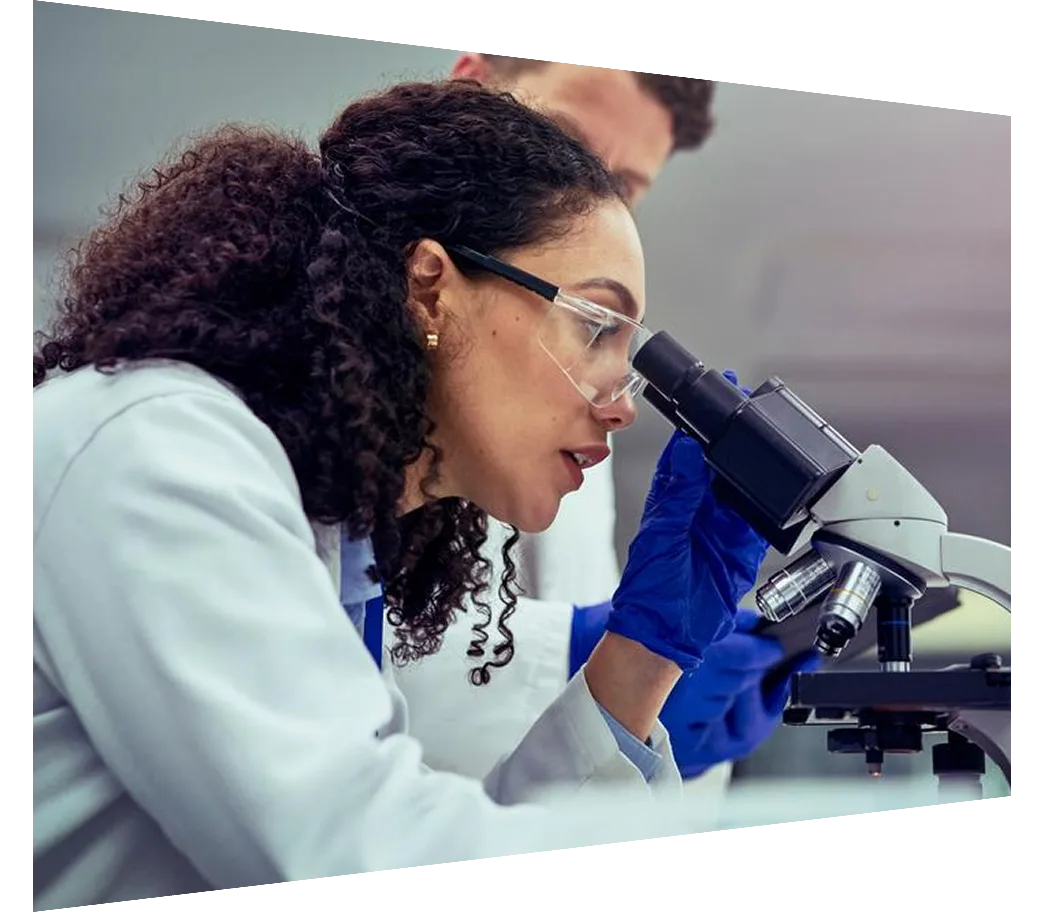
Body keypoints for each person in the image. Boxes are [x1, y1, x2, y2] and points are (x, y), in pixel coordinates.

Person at [31, 79, 769, 907]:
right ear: (430, 287)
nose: (623, 402)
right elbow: (354, 848)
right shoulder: (159, 452)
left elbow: (433, 827)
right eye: (596, 327)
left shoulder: (340, 533)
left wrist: (640, 663)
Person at [389, 56, 821, 796]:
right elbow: (333, 799)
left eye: (619, 187)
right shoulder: (239, 438)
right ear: (468, 88)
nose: (585, 195)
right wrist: (569, 657)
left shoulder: (559, 435)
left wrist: (644, 675)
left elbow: (536, 808)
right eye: (562, 141)